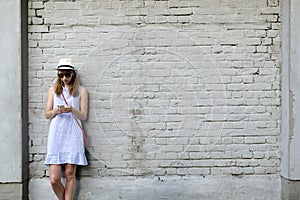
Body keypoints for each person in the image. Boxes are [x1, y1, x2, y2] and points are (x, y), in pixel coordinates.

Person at [44, 58, 88, 200]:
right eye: (61, 75)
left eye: (67, 75)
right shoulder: (53, 90)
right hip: (57, 134)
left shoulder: (82, 91)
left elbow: (83, 115)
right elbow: (47, 114)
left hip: (73, 133)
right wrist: (56, 111)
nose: (64, 78)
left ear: (73, 74)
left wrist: (72, 110)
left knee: (70, 174)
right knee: (54, 179)